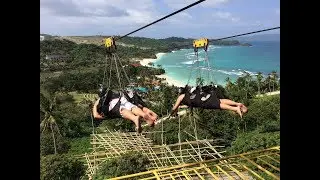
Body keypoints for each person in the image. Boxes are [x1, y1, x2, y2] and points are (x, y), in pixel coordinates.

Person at [92, 89, 158, 133]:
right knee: (132, 107)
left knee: (122, 111)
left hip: (113, 106)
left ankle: (135, 119)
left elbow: (95, 116)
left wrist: (95, 105)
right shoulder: (105, 113)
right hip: (121, 98)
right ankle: (143, 114)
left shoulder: (105, 115)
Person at [171, 85, 248, 118]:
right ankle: (237, 104)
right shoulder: (188, 96)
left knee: (218, 104)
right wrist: (178, 109)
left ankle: (235, 109)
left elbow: (174, 108)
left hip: (203, 102)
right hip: (204, 96)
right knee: (220, 100)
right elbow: (186, 106)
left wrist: (172, 113)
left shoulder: (181, 97)